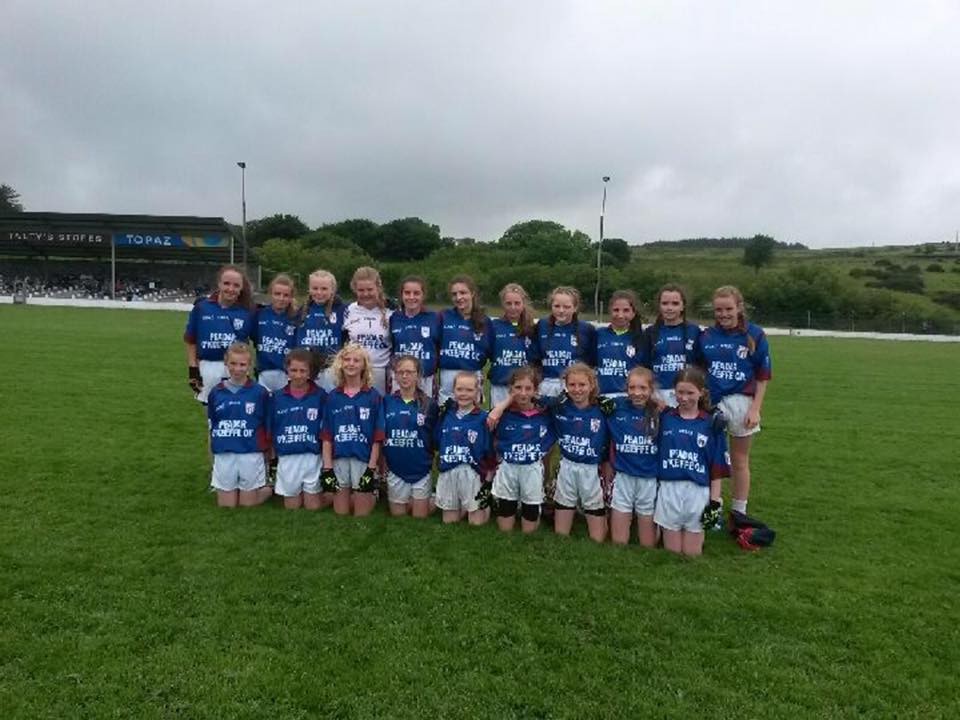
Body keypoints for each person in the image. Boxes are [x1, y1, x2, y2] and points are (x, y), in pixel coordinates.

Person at [696, 285, 772, 517]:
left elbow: (762, 376)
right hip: (712, 404)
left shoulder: (755, 334)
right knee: (710, 458)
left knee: (739, 460)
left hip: (742, 403)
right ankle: (713, 505)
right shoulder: (706, 336)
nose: (723, 314)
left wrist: (755, 409)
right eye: (718, 310)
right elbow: (699, 371)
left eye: (728, 309)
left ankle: (739, 512)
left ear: (739, 307)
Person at [655, 366, 730, 556]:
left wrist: (714, 503)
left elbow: (717, 468)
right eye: (680, 392)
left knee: (692, 555)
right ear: (674, 391)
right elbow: (640, 397)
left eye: (690, 393)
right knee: (672, 554)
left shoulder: (712, 423)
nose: (684, 397)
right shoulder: (665, 417)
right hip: (669, 490)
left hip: (698, 492)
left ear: (701, 392)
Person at [320, 344, 385, 517]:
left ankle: (373, 494)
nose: (351, 364)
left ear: (364, 365)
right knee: (341, 514)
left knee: (361, 515)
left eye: (356, 360)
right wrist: (327, 468)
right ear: (340, 364)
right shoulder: (333, 397)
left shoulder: (373, 397)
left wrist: (371, 468)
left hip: (362, 459)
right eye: (347, 359)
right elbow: (327, 436)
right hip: (339, 459)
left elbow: (377, 437)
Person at [487, 366, 554, 533]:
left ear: (535, 390)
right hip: (508, 468)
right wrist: (506, 403)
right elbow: (490, 422)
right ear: (510, 389)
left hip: (532, 469)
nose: (523, 393)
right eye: (518, 387)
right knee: (505, 526)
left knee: (529, 528)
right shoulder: (503, 415)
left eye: (528, 388)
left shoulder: (545, 414)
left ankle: (535, 508)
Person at [206, 343, 272, 508]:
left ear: (249, 365)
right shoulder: (216, 392)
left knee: (247, 504)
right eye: (233, 364)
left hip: (250, 452)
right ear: (226, 363)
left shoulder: (260, 392)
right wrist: (212, 455)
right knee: (227, 505)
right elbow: (212, 427)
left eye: (242, 364)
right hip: (224, 453)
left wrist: (268, 457)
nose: (237, 369)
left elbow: (267, 427)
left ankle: (269, 489)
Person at [549, 363, 608, 542]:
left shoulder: (604, 409)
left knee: (597, 538)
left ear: (592, 385)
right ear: (565, 386)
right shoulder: (559, 407)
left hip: (592, 469)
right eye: (572, 385)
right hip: (567, 466)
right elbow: (533, 401)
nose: (577, 389)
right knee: (561, 534)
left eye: (582, 385)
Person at [604, 366, 660, 547]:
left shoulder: (661, 413)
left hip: (649, 479)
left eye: (643, 388)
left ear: (651, 389)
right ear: (626, 388)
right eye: (632, 387)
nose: (637, 393)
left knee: (648, 544)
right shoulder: (615, 408)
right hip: (623, 477)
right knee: (619, 542)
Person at [184, 265, 255, 404]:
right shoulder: (202, 307)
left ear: (241, 288)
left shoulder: (249, 311)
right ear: (219, 284)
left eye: (236, 285)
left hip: (236, 370)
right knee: (211, 414)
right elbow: (191, 340)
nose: (231, 289)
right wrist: (193, 370)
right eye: (226, 283)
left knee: (235, 413)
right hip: (208, 370)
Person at [269, 349, 329, 510]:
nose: (298, 375)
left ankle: (334, 495)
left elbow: (327, 428)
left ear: (310, 372)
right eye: (294, 370)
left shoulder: (320, 396)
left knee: (313, 507)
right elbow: (272, 428)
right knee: (292, 507)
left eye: (303, 371)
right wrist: (272, 457)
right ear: (287, 370)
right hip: (287, 456)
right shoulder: (277, 397)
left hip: (312, 456)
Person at [380, 355, 437, 518]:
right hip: (396, 469)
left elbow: (434, 437)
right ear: (395, 375)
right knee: (399, 516)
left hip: (421, 468)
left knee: (420, 517)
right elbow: (381, 435)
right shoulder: (387, 402)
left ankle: (433, 498)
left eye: (409, 372)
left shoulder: (429, 404)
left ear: (418, 375)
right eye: (400, 372)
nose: (404, 376)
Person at [434, 371, 494, 525]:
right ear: (453, 390)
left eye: (469, 390)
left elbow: (490, 453)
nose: (464, 394)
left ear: (477, 392)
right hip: (448, 471)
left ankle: (484, 507)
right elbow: (437, 441)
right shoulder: (446, 415)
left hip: (472, 472)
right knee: (449, 521)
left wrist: (487, 482)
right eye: (459, 389)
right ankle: (460, 506)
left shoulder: (483, 418)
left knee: (476, 523)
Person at [640, 283, 701, 407]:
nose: (669, 308)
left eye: (675, 303)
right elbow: (644, 367)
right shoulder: (650, 333)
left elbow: (700, 365)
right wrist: (651, 394)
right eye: (665, 303)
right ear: (659, 306)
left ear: (683, 306)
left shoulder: (694, 331)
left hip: (686, 394)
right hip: (658, 396)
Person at [436, 275, 491, 406]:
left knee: (471, 415)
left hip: (472, 376)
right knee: (446, 414)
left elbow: (490, 350)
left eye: (463, 292)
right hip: (447, 378)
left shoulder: (485, 321)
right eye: (454, 294)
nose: (458, 297)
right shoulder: (443, 316)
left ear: (472, 293)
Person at [534, 286, 596, 398]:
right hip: (546, 385)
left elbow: (592, 362)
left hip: (574, 386)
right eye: (557, 306)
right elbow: (535, 358)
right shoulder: (542, 325)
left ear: (575, 308)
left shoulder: (586, 329)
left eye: (567, 307)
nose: (561, 310)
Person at [343, 266, 393, 395]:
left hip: (380, 371)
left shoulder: (391, 311)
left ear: (378, 288)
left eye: (370, 289)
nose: (366, 294)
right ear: (355, 289)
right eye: (361, 290)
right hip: (354, 370)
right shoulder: (349, 310)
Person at [388, 276, 441, 397]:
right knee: (399, 408)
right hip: (400, 379)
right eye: (407, 293)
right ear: (401, 295)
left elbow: (439, 346)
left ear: (423, 295)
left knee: (425, 408)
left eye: (416, 293)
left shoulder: (434, 318)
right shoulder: (394, 318)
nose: (411, 297)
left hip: (425, 378)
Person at [488, 283, 538, 407]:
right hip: (500, 386)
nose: (513, 307)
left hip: (524, 388)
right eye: (508, 303)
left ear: (523, 303)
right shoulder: (494, 326)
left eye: (517, 303)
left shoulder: (533, 328)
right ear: (503, 304)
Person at [295, 269, 346, 391]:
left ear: (332, 290)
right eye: (315, 288)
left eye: (324, 289)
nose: (319, 292)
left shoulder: (342, 310)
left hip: (331, 369)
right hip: (306, 369)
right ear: (309, 289)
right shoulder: (302, 311)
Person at [253, 273, 299, 393]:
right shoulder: (259, 314)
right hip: (263, 373)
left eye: (286, 295)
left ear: (291, 297)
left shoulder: (296, 318)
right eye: (277, 294)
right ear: (270, 294)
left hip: (287, 375)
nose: (281, 298)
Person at [594, 290, 643, 397]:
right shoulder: (598, 334)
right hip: (601, 395)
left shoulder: (641, 338)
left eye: (626, 310)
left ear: (633, 313)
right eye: (616, 310)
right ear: (609, 311)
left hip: (629, 396)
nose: (620, 315)